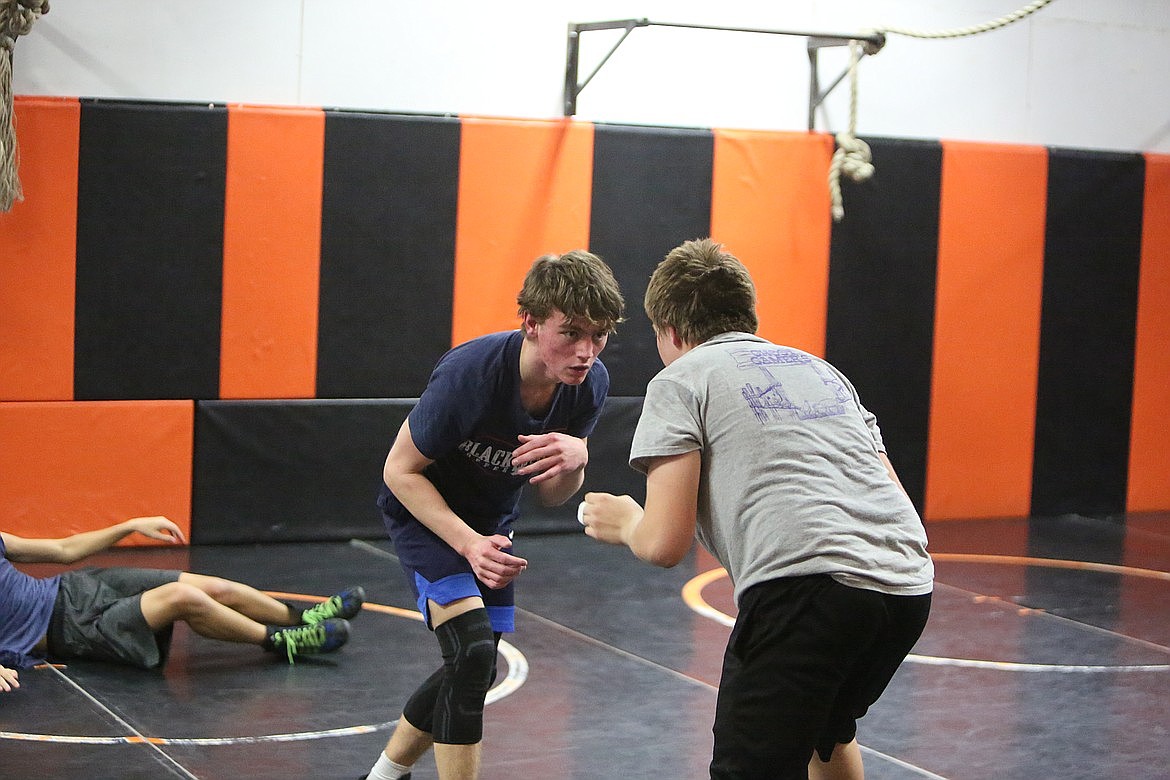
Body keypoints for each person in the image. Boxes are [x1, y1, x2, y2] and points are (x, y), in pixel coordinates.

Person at [580, 238, 934, 780]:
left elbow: (664, 544)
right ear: (747, 315)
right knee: (827, 732)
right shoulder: (823, 372)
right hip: (907, 587)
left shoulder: (681, 378)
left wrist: (627, 521)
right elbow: (890, 494)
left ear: (671, 333)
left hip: (807, 592)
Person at [361, 250, 625, 780]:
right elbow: (399, 471)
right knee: (475, 650)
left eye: (598, 337)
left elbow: (552, 496)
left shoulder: (587, 385)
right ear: (529, 323)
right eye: (570, 333)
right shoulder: (471, 374)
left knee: (471, 666)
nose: (585, 352)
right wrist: (466, 543)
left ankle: (384, 776)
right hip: (426, 514)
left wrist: (578, 458)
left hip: (491, 524)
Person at [0, 515, 364, 685]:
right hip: (69, 628)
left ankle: (301, 618)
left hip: (74, 588)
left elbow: (62, 549)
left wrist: (128, 526)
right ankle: (281, 643)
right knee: (182, 597)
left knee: (211, 587)